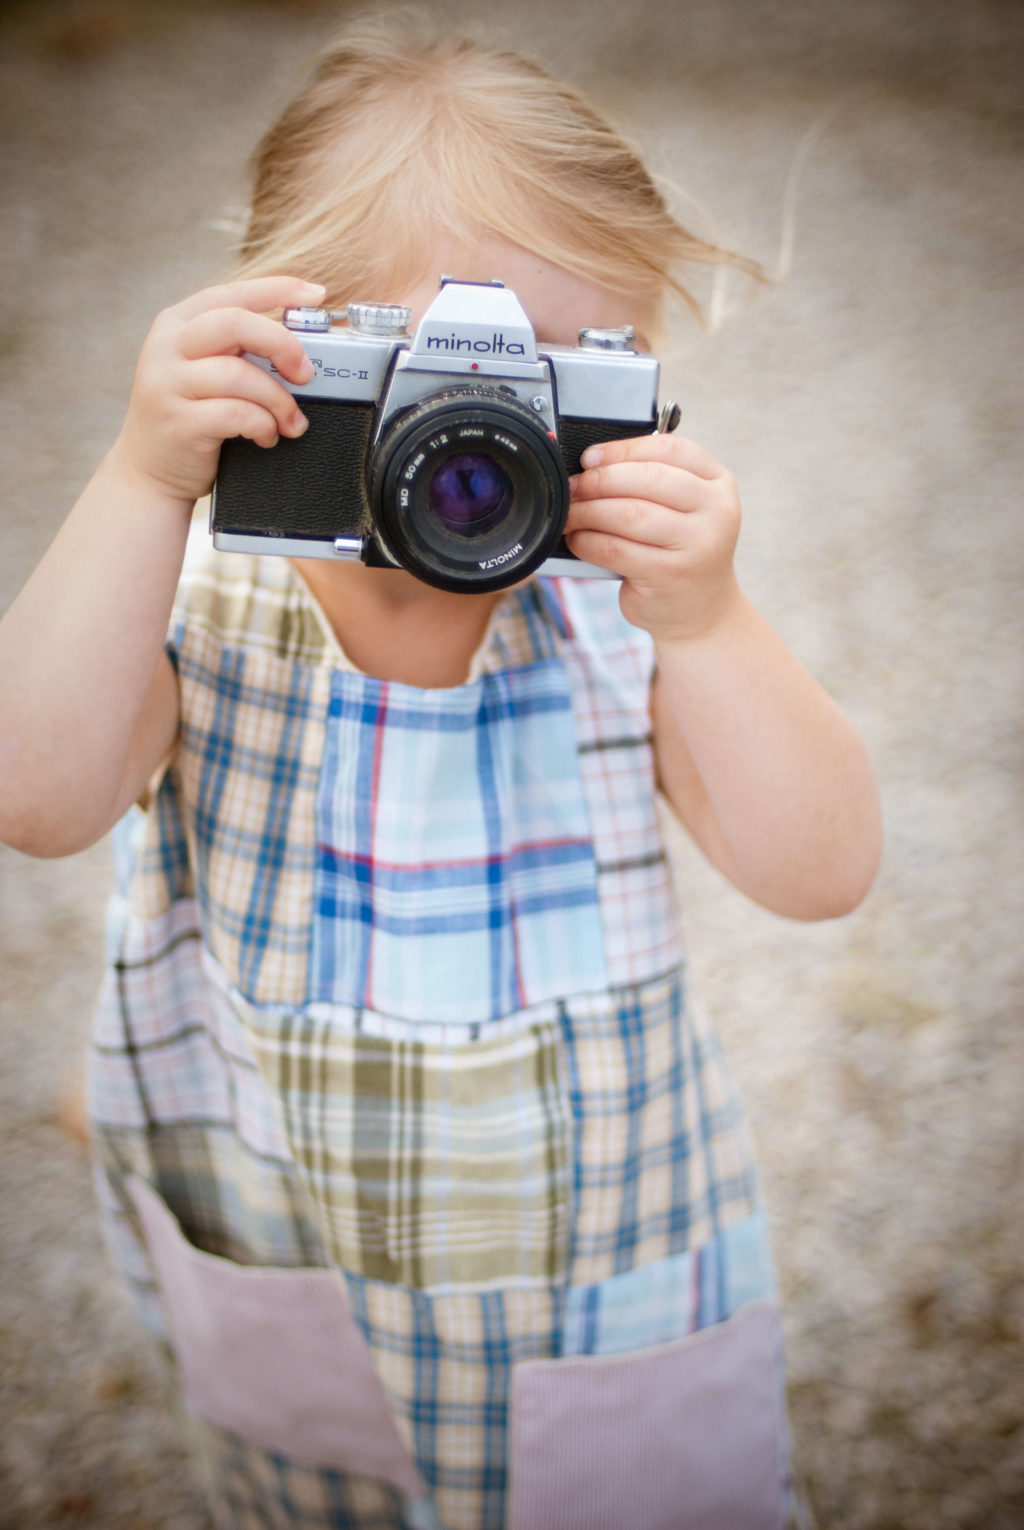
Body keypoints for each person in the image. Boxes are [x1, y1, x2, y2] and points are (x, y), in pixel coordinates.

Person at [0, 14, 881, 1530]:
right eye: (421, 385)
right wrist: (144, 477)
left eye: (547, 390)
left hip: (599, 1275)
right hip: (293, 1257)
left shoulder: (611, 613)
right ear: (286, 363)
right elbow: (37, 794)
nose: (477, 451)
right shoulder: (206, 597)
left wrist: (715, 615)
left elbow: (822, 872)